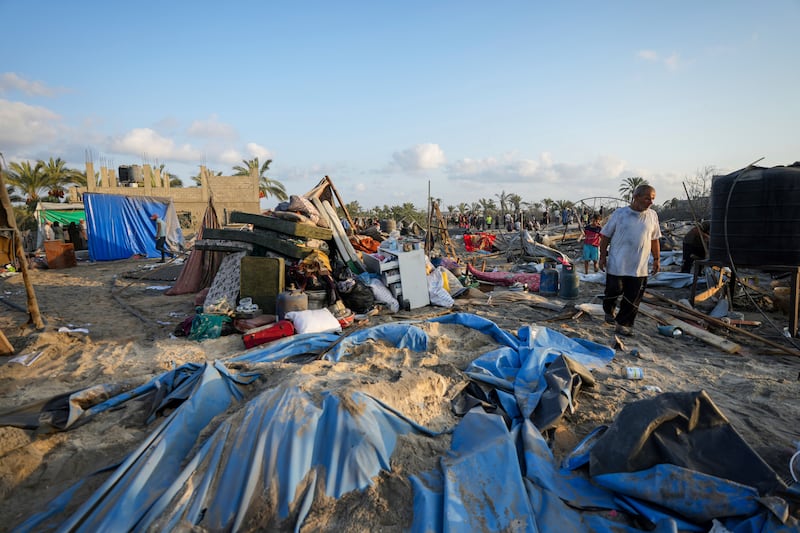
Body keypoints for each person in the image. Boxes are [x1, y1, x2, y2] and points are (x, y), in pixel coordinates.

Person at [598, 184, 661, 336]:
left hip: (639, 266)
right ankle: (609, 310)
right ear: (636, 197)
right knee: (613, 291)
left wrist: (657, 259)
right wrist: (602, 256)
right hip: (617, 263)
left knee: (633, 297)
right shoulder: (620, 214)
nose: (650, 202)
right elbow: (605, 236)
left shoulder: (652, 216)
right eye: (647, 198)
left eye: (652, 199)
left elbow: (654, 239)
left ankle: (623, 324)